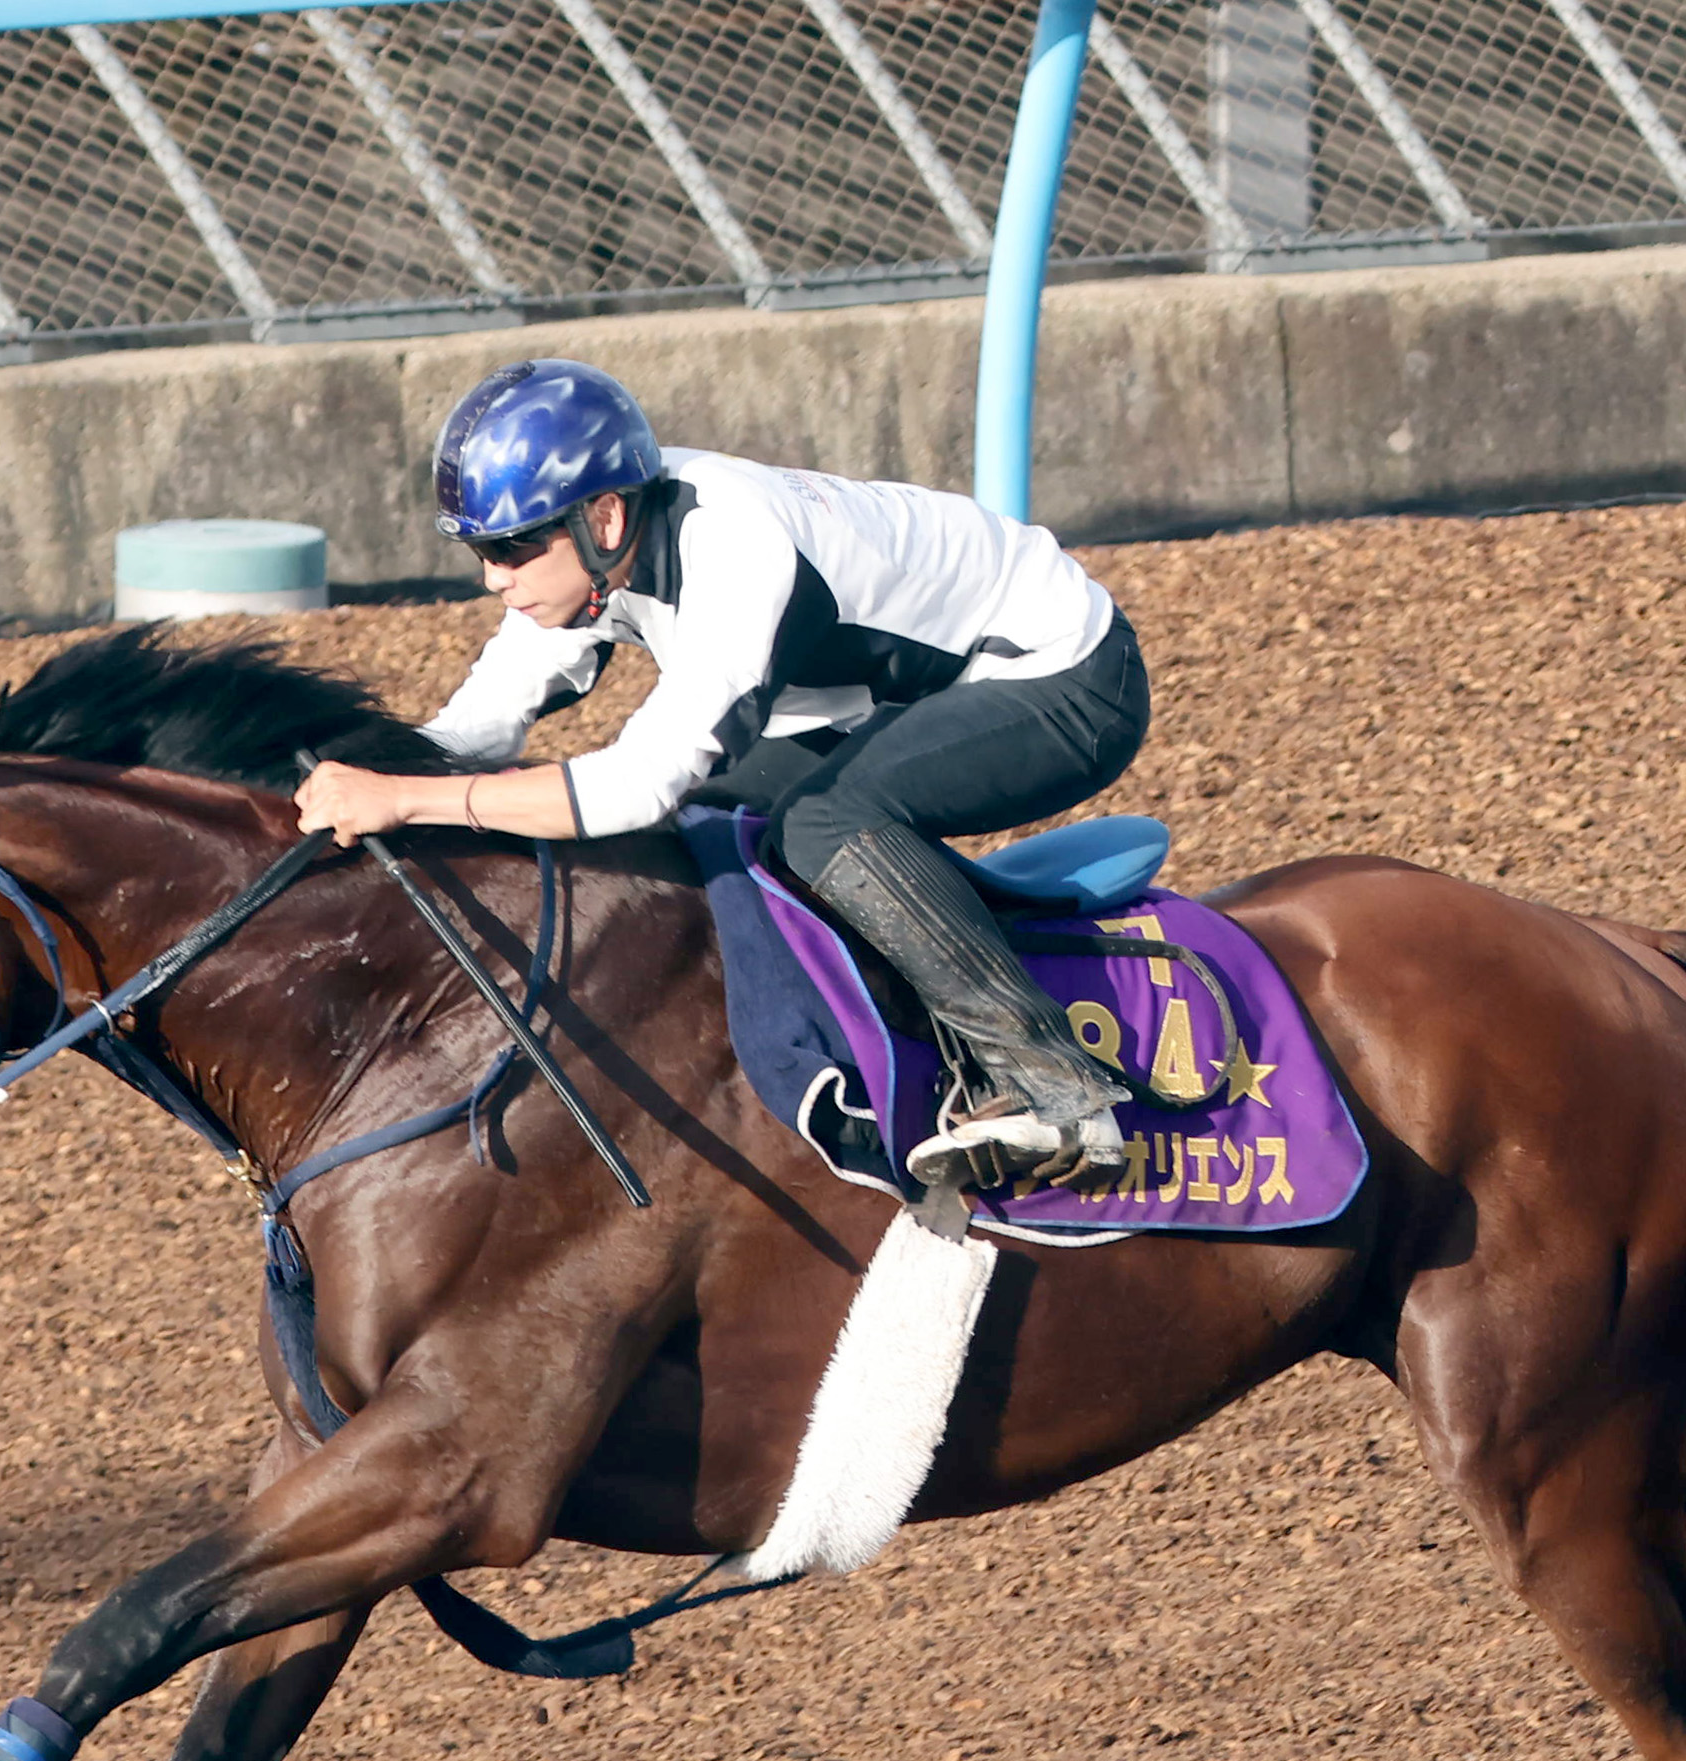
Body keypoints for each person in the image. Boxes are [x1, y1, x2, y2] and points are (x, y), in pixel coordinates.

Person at [291, 358, 1143, 1196]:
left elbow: (634, 784)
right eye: (480, 551)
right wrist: (358, 776)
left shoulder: (734, 544)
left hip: (1066, 677)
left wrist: (408, 798)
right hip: (891, 690)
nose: (493, 577)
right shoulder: (589, 551)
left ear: (607, 519)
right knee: (716, 820)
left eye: (512, 547)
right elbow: (476, 730)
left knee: (825, 823)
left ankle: (1057, 1091)